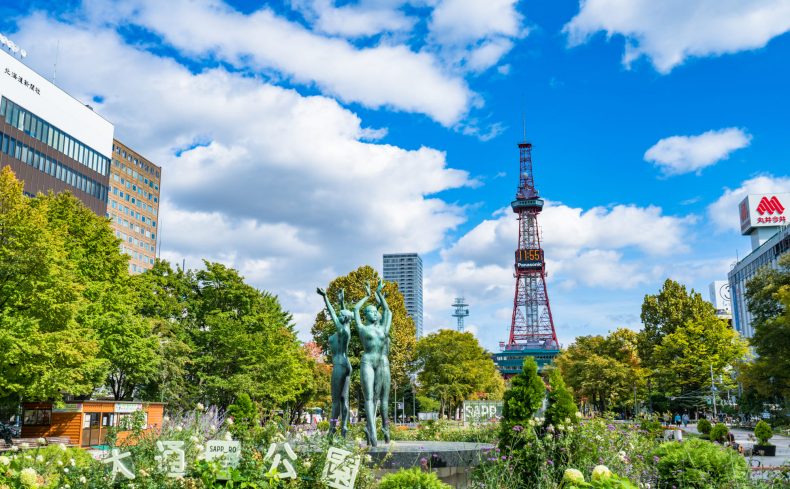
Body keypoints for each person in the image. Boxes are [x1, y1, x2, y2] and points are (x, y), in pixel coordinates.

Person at [354, 279, 392, 447]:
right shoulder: (363, 328)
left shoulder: (384, 329)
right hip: (368, 362)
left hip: (382, 364)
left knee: (382, 399)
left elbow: (388, 310)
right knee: (369, 398)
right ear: (366, 315)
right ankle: (372, 430)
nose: (374, 313)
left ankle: (384, 430)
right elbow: (355, 309)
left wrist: (378, 295)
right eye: (369, 311)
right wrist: (367, 296)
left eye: (374, 311)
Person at [317, 287, 353, 437]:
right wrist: (342, 302)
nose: (337, 316)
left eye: (340, 315)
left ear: (343, 319)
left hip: (339, 365)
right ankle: (344, 426)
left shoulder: (342, 331)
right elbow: (344, 313)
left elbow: (332, 314)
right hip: (346, 364)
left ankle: (332, 429)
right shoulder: (346, 330)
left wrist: (325, 297)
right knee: (344, 399)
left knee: (335, 401)